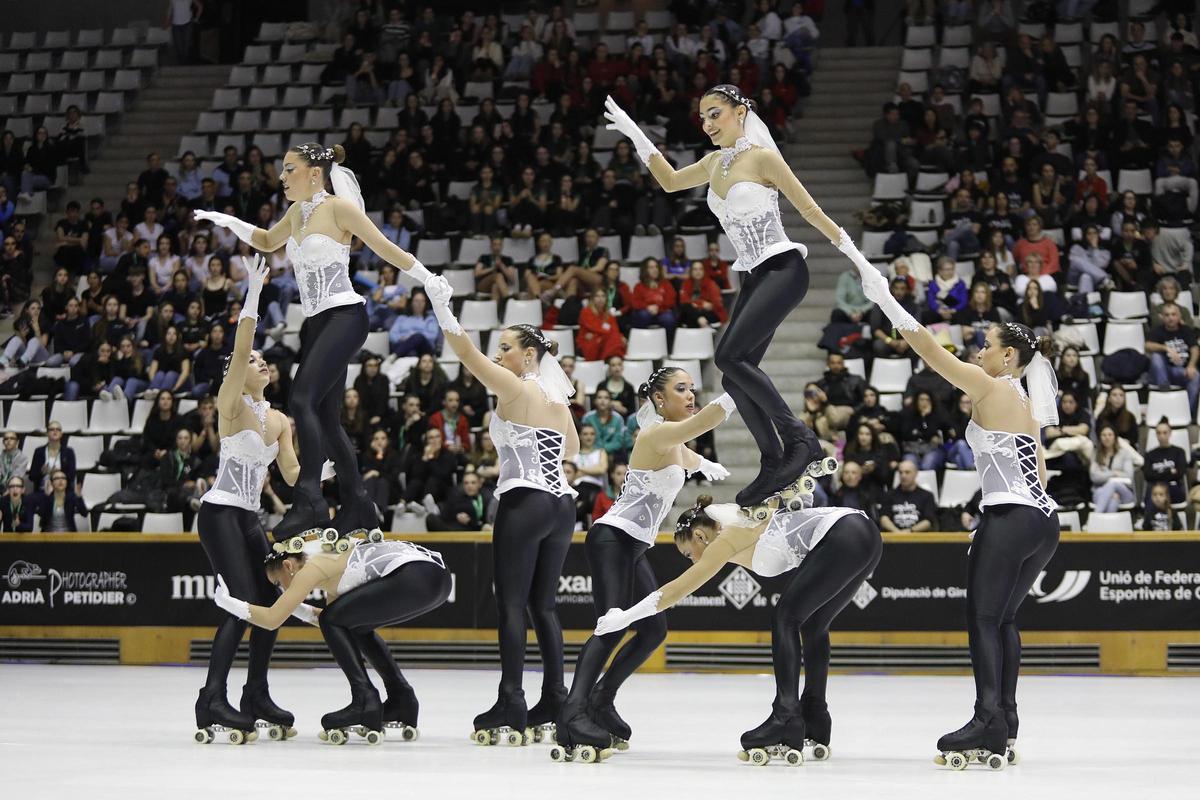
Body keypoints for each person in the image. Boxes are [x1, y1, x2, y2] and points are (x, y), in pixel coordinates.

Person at [851, 243, 1061, 767]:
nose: (977, 349)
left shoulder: (991, 386)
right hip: (1043, 522)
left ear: (1008, 356)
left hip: (1010, 517)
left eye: (984, 344)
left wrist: (888, 302)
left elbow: (929, 351)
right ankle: (1006, 722)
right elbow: (1036, 469)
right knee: (1005, 619)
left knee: (982, 619)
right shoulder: (1029, 406)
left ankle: (987, 721)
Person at [604, 87, 851, 509]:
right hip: (755, 275)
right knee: (735, 372)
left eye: (715, 113)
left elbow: (808, 210)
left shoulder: (763, 158)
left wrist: (850, 250)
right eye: (702, 117)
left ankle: (800, 439)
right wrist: (636, 135)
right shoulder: (714, 162)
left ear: (741, 112)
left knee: (728, 358)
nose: (708, 124)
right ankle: (774, 461)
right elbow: (668, 181)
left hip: (784, 268)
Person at [196, 143, 436, 543]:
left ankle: (309, 498)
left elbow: (386, 248)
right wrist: (225, 219)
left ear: (313, 173)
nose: (283, 177)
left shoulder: (339, 208)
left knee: (301, 400)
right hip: (318, 323)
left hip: (345, 315)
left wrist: (429, 279)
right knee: (325, 417)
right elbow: (264, 239)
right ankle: (358, 503)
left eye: (289, 169)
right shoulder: (297, 214)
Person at [596, 491, 880, 762]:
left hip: (844, 534)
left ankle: (786, 715)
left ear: (699, 535)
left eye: (688, 553)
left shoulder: (726, 537)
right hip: (865, 535)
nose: (693, 560)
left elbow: (676, 591)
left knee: (785, 618)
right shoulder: (739, 521)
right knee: (814, 624)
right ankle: (815, 716)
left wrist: (625, 616)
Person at [424, 274, 581, 747]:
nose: (499, 356)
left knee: (511, 604)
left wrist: (443, 308)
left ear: (529, 354)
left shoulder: (515, 388)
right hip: (561, 509)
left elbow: (467, 355)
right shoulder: (558, 399)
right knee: (544, 606)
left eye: (506, 347)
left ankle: (511, 701)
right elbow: (570, 448)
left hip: (525, 501)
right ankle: (555, 698)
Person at [556, 367, 733, 756]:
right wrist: (738, 389)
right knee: (611, 626)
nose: (690, 395)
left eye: (692, 389)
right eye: (681, 389)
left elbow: (686, 453)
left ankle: (601, 700)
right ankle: (571, 714)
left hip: (633, 546)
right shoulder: (656, 433)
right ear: (658, 399)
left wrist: (703, 465)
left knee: (653, 631)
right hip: (612, 539)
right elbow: (702, 423)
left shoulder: (670, 438)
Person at [192, 255, 302, 741]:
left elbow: (293, 474)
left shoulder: (278, 421)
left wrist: (327, 466)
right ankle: (211, 699)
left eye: (263, 360)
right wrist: (254, 294)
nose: (261, 362)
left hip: (250, 518)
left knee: (269, 600)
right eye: (255, 361)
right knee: (239, 601)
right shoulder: (231, 403)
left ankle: (255, 692)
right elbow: (239, 350)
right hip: (219, 513)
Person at [214, 538, 450, 742]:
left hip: (414, 575)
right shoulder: (330, 561)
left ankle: (364, 700)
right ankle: (402, 699)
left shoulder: (311, 568)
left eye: (278, 583)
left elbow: (272, 620)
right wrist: (294, 607)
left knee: (336, 620)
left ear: (288, 565)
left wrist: (228, 603)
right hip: (437, 579)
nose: (281, 589)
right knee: (354, 627)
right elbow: (332, 623)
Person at [1146, 303, 1200, 413]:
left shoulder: (1186, 330)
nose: (1170, 318)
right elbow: (1147, 346)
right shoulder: (1157, 331)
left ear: (1179, 316)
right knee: (1156, 357)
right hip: (1163, 371)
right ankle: (1164, 389)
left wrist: (1191, 365)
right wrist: (1166, 348)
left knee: (1196, 376)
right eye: (1167, 315)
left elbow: (1195, 349)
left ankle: (1187, 413)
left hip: (1181, 371)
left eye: (1173, 314)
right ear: (1162, 317)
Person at [1090, 424, 1141, 513]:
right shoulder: (1096, 454)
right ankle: (1107, 526)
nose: (1107, 438)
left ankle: (1095, 517)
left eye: (1110, 435)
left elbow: (1128, 477)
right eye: (1104, 435)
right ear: (1100, 438)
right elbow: (1094, 477)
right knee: (1113, 498)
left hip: (1124, 492)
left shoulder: (1124, 454)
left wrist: (1106, 475)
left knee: (1113, 484)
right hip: (1100, 491)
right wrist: (1114, 473)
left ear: (1115, 437)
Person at [878, 459, 938, 532]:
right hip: (894, 537)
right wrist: (897, 532)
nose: (903, 476)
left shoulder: (927, 495)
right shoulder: (889, 495)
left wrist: (910, 531)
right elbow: (884, 519)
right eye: (901, 472)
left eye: (907, 472)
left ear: (915, 474)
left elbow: (928, 521)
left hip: (918, 538)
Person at [426, 471, 494, 531]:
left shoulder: (485, 499)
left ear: (479, 484)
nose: (469, 486)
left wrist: (469, 521)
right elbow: (448, 513)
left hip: (472, 529)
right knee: (431, 518)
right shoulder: (456, 498)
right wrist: (456, 516)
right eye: (466, 483)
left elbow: (485, 521)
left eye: (473, 483)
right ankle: (434, 510)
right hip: (453, 527)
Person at [1142, 419, 1188, 506]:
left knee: (1158, 494)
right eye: (1159, 433)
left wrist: (1157, 475)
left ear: (1170, 433)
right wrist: (1169, 472)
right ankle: (1152, 518)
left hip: (1173, 488)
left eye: (1164, 432)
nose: (1162, 436)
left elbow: (1180, 473)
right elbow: (1147, 475)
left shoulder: (1179, 452)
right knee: (1154, 492)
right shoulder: (1149, 454)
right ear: (1156, 435)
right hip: (1155, 488)